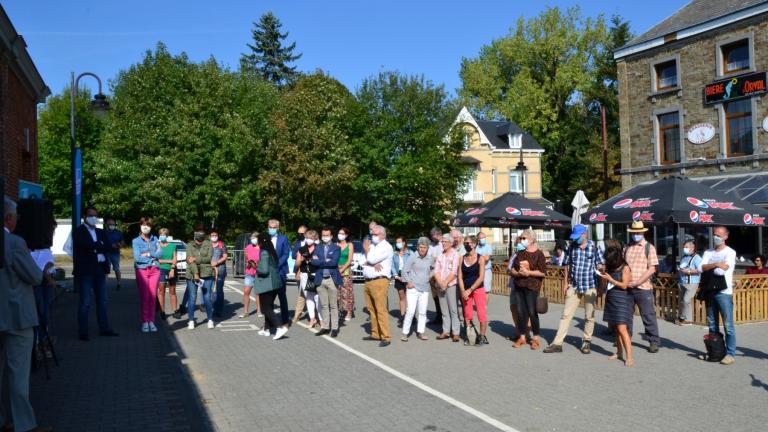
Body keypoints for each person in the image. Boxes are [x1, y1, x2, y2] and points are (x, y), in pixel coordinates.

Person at [0, 196, 53, 432]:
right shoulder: (14, 243)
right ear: (8, 218)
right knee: (18, 373)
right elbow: (33, 276)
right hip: (16, 315)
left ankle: (3, 420)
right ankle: (24, 424)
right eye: (16, 217)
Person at [543, 224, 603, 354]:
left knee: (589, 316)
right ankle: (557, 343)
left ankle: (586, 342)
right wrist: (565, 283)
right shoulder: (572, 247)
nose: (575, 240)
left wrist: (601, 269)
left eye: (577, 237)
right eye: (574, 237)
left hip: (590, 285)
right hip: (574, 286)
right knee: (566, 315)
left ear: (585, 234)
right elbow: (566, 265)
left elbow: (600, 264)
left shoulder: (594, 247)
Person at [73, 206, 118, 340]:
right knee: (85, 302)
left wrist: (96, 245)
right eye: (91, 215)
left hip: (100, 269)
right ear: (84, 217)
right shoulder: (78, 231)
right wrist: (98, 245)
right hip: (86, 270)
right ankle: (83, 331)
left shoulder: (100, 232)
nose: (94, 218)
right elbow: (84, 246)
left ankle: (104, 328)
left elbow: (108, 246)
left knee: (103, 301)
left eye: (95, 216)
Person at [699, 226, 737, 365]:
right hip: (710, 291)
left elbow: (723, 270)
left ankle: (730, 353)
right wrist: (715, 264)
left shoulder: (730, 252)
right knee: (712, 324)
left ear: (726, 237)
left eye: (719, 235)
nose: (716, 237)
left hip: (723, 293)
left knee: (728, 325)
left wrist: (711, 267)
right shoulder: (708, 252)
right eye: (715, 234)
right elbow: (701, 268)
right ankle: (715, 352)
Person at [625, 221, 661, 353]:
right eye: (634, 232)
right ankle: (626, 337)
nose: (636, 234)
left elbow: (652, 269)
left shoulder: (649, 248)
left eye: (638, 232)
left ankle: (653, 341)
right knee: (627, 315)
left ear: (643, 232)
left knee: (648, 315)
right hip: (628, 287)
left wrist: (637, 282)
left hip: (643, 287)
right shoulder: (627, 247)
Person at [598, 239, 634, 367]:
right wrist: (603, 276)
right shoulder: (610, 266)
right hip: (612, 297)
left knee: (622, 328)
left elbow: (624, 285)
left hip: (623, 299)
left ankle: (629, 356)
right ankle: (619, 352)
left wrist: (610, 279)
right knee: (616, 329)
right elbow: (605, 284)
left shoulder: (625, 268)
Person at [510, 229, 546, 350]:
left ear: (531, 240)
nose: (521, 240)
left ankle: (535, 338)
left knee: (532, 312)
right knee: (520, 312)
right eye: (521, 238)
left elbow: (542, 272)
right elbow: (512, 269)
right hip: (519, 285)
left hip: (532, 287)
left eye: (524, 238)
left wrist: (528, 272)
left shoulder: (539, 254)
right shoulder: (520, 253)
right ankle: (522, 337)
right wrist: (518, 273)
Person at [362, 224, 393, 347]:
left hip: (379, 280)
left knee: (380, 309)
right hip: (368, 280)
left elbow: (372, 259)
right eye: (371, 234)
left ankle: (386, 336)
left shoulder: (386, 246)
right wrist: (370, 262)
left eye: (375, 234)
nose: (372, 236)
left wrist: (367, 252)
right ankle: (375, 333)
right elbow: (362, 262)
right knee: (371, 309)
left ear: (382, 235)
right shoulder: (372, 246)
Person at [254, 233, 289, 340]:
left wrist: (256, 267)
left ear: (260, 242)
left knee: (265, 308)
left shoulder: (264, 253)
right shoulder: (272, 251)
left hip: (267, 284)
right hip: (275, 283)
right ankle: (266, 329)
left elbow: (264, 270)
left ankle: (279, 327)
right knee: (269, 306)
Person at [311, 228, 343, 337]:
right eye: (323, 235)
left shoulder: (336, 248)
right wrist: (325, 261)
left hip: (331, 279)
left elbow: (334, 262)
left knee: (333, 305)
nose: (325, 237)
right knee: (324, 305)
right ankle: (325, 326)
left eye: (327, 235)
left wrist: (320, 261)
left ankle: (334, 328)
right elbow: (313, 262)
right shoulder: (317, 247)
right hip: (320, 279)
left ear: (331, 236)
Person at [132, 217, 163, 333]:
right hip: (142, 270)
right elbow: (137, 257)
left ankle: (152, 321)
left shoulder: (155, 239)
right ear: (140, 225)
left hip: (155, 270)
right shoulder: (136, 241)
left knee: (153, 296)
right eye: (144, 225)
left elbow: (160, 253)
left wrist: (148, 254)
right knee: (145, 296)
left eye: (148, 225)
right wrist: (152, 258)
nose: (146, 227)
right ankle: (145, 321)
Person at [458, 235, 490, 346]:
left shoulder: (480, 258)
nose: (466, 245)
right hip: (465, 289)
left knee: (481, 313)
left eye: (468, 243)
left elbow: (481, 277)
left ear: (475, 244)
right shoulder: (462, 258)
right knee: (467, 314)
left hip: (477, 289)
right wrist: (463, 290)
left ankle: (481, 336)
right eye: (465, 243)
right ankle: (470, 335)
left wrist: (470, 289)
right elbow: (460, 276)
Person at [401, 237, 433, 341]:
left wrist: (430, 276)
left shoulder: (429, 258)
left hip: (425, 289)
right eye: (421, 247)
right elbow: (405, 270)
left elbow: (434, 268)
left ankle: (421, 332)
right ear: (418, 247)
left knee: (422, 312)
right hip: (413, 288)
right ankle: (405, 333)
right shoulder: (413, 257)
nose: (422, 249)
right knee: (410, 311)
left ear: (427, 248)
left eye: (425, 247)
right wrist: (409, 282)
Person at [185, 225, 215, 330]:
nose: (200, 233)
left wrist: (196, 259)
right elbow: (189, 260)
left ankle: (210, 319)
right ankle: (191, 320)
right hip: (192, 275)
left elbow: (208, 258)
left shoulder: (208, 244)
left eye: (202, 231)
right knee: (192, 298)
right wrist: (195, 273)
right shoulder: (189, 245)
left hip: (207, 274)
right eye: (198, 231)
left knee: (207, 298)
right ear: (194, 233)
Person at [434, 233, 461, 342]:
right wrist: (440, 282)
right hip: (441, 285)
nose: (443, 243)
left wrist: (445, 283)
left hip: (451, 285)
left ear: (450, 243)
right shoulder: (440, 255)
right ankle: (445, 331)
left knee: (453, 310)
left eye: (445, 242)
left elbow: (454, 272)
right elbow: (436, 271)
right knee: (444, 309)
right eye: (442, 242)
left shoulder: (455, 255)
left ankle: (456, 332)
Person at [295, 230, 322, 328]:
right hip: (305, 274)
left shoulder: (319, 248)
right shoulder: (302, 249)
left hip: (316, 274)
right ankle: (312, 319)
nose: (308, 240)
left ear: (315, 239)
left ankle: (321, 319)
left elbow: (322, 261)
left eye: (311, 238)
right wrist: (300, 260)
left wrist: (314, 259)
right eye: (307, 238)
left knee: (317, 297)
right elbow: (297, 264)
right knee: (308, 297)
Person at [268, 219, 291, 325]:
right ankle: (269, 321)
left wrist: (277, 264)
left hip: (280, 271)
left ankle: (285, 320)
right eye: (270, 227)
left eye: (274, 227)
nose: (272, 229)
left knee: (282, 297)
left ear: (277, 228)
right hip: (268, 273)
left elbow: (286, 254)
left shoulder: (283, 238)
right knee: (269, 299)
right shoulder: (265, 238)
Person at [507, 238, 528, 341]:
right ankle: (518, 330)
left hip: (526, 286)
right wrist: (514, 272)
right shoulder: (514, 255)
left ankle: (526, 333)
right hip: (514, 285)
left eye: (520, 243)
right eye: (517, 243)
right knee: (514, 307)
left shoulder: (529, 254)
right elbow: (508, 269)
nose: (518, 245)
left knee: (526, 310)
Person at [677, 240, 702, 325]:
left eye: (686, 247)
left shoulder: (697, 258)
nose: (684, 249)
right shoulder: (684, 257)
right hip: (682, 281)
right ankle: (682, 318)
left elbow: (701, 270)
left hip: (692, 282)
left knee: (686, 300)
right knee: (681, 301)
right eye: (684, 247)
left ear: (692, 248)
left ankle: (687, 319)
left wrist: (689, 271)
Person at [156, 228, 178, 321]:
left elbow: (175, 259)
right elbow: (157, 260)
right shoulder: (157, 246)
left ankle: (175, 311)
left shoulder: (172, 246)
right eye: (161, 234)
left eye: (164, 234)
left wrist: (172, 268)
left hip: (172, 270)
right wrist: (169, 261)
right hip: (161, 270)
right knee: (161, 291)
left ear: (167, 236)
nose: (162, 235)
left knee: (172, 291)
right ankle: (162, 311)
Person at [392, 236, 412, 327]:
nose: (398, 244)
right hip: (398, 277)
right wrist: (396, 275)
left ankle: (411, 316)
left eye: (399, 242)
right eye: (397, 242)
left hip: (408, 277)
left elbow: (413, 265)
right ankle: (403, 316)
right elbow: (392, 266)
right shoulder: (394, 253)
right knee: (402, 297)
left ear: (404, 242)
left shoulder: (410, 253)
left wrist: (409, 277)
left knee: (410, 298)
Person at [290, 225, 308, 323]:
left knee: (309, 291)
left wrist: (300, 255)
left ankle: (310, 311)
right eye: (298, 233)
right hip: (299, 269)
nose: (299, 235)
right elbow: (293, 255)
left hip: (309, 270)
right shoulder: (297, 243)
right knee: (301, 291)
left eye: (301, 233)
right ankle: (300, 311)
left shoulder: (311, 243)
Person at [336, 227, 355, 322]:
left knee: (347, 292)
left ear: (346, 235)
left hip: (346, 270)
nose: (340, 235)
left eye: (342, 233)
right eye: (339, 233)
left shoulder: (350, 245)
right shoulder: (335, 245)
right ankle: (338, 310)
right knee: (337, 292)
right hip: (335, 269)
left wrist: (342, 269)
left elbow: (349, 260)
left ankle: (349, 311)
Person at [241, 232, 261, 318]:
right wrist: (249, 262)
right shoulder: (248, 247)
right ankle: (245, 311)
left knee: (258, 293)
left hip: (258, 273)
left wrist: (257, 264)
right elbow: (246, 256)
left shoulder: (262, 248)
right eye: (251, 238)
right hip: (249, 272)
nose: (252, 240)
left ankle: (259, 311)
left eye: (254, 238)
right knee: (246, 291)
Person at [210, 228, 228, 318]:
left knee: (219, 291)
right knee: (211, 291)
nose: (214, 237)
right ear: (210, 236)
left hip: (220, 271)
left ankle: (219, 310)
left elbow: (225, 256)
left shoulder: (221, 244)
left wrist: (216, 263)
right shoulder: (207, 245)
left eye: (215, 235)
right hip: (209, 271)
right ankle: (212, 308)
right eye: (212, 235)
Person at [427, 227, 444, 326]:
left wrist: (435, 258)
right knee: (435, 297)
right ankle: (438, 316)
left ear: (439, 235)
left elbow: (442, 258)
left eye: (434, 236)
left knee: (442, 297)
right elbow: (429, 258)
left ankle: (444, 317)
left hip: (441, 275)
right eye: (432, 236)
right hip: (432, 275)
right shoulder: (431, 245)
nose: (433, 238)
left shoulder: (443, 244)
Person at [105, 218, 124, 290]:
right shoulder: (103, 232)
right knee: (106, 269)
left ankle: (119, 283)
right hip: (106, 253)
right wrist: (109, 245)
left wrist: (120, 244)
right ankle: (104, 285)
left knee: (116, 268)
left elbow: (122, 241)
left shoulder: (118, 232)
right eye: (110, 224)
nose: (112, 225)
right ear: (106, 225)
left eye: (113, 224)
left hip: (115, 253)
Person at [476, 232, 493, 300]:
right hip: (477, 270)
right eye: (482, 238)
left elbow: (487, 258)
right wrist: (482, 256)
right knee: (477, 288)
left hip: (486, 270)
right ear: (478, 239)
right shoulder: (476, 247)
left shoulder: (488, 246)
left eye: (484, 237)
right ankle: (479, 304)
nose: (484, 239)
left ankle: (484, 307)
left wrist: (478, 257)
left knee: (486, 289)